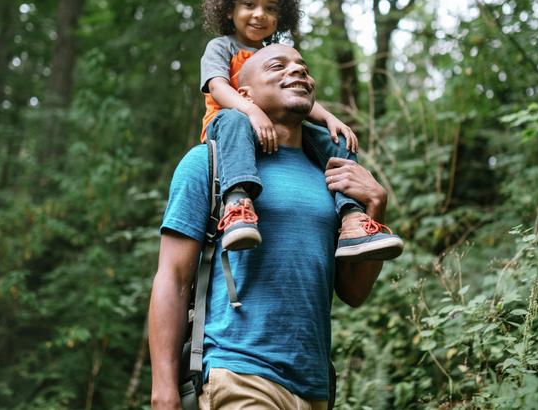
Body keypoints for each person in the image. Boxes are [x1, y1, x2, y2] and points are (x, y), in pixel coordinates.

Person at [149, 44, 398, 409]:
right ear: (244, 94)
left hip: (314, 388)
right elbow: (172, 276)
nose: (297, 71)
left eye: (303, 67)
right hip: (237, 372)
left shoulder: (333, 176)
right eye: (278, 66)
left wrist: (375, 206)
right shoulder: (207, 163)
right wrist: (164, 390)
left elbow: (354, 293)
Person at [199, 0, 403, 261]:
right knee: (233, 119)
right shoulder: (222, 47)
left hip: (276, 129)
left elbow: (297, 97)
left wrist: (330, 119)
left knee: (335, 141)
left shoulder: (276, 52)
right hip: (230, 128)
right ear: (229, 9)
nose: (260, 14)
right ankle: (238, 205)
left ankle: (352, 219)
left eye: (271, 8)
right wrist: (251, 111)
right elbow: (217, 87)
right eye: (249, 5)